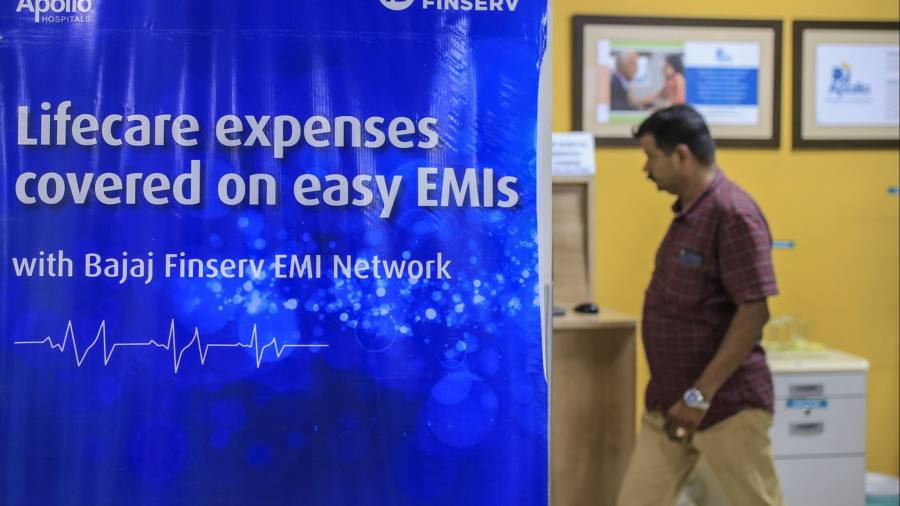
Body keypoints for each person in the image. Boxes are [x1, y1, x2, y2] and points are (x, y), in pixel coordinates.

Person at [616, 105, 784, 506]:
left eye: (651, 156)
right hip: (668, 405)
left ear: (681, 155)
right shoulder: (689, 215)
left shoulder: (733, 214)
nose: (646, 168)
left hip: (724, 406)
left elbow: (754, 311)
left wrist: (699, 397)